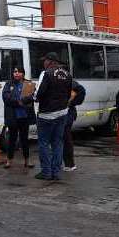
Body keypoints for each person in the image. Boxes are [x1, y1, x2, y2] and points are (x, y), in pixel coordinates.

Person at [34, 52, 72, 181]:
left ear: (51, 62)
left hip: (46, 115)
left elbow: (38, 95)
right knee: (58, 143)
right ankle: (56, 172)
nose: (43, 63)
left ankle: (46, 172)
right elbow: (68, 94)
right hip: (62, 113)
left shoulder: (46, 73)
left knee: (44, 143)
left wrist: (27, 99)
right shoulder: (67, 74)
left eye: (45, 60)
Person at [2, 67, 36, 169]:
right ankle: (9, 161)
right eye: (15, 72)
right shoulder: (9, 84)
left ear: (23, 74)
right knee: (12, 139)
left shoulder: (28, 84)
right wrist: (18, 102)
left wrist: (23, 101)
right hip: (13, 116)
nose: (16, 74)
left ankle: (27, 161)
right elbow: (6, 98)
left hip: (24, 116)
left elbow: (31, 97)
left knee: (24, 139)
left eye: (19, 72)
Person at [63, 80, 86, 172]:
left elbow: (81, 91)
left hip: (67, 113)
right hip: (64, 112)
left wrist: (71, 103)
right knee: (63, 138)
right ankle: (67, 163)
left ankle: (70, 164)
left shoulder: (69, 81)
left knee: (65, 138)